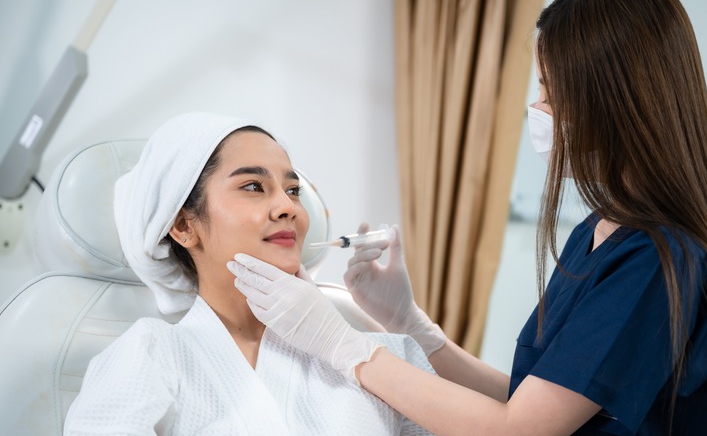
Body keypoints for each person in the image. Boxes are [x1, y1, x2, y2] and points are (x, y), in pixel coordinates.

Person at [226, 0, 707, 434]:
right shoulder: (598, 232)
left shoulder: (656, 260)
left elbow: (521, 427)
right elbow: (536, 400)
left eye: (550, 91)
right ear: (182, 227)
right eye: (252, 185)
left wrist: (343, 346)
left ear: (611, 99)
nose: (539, 109)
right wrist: (414, 328)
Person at [63, 112, 434, 435]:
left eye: (293, 190)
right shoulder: (150, 354)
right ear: (183, 226)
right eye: (253, 186)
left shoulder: (382, 353)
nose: (286, 206)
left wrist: (409, 325)